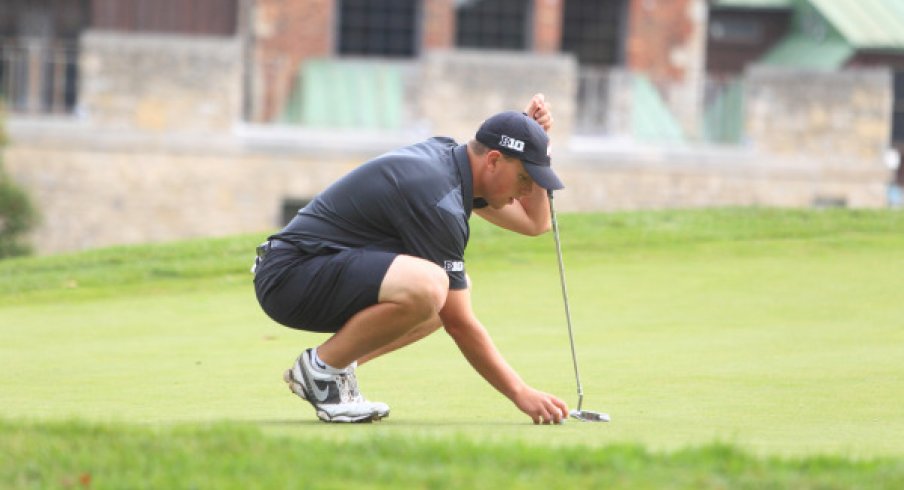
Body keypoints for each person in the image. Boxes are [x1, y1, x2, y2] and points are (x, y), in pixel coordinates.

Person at [253, 94, 569, 424]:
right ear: (492, 161)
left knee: (443, 290)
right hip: (290, 277)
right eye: (524, 179)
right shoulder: (438, 197)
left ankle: (333, 368)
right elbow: (460, 324)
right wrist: (520, 392)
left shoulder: (455, 166)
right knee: (434, 288)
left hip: (312, 270)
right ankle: (321, 370)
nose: (526, 191)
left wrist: (534, 140)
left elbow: (536, 223)